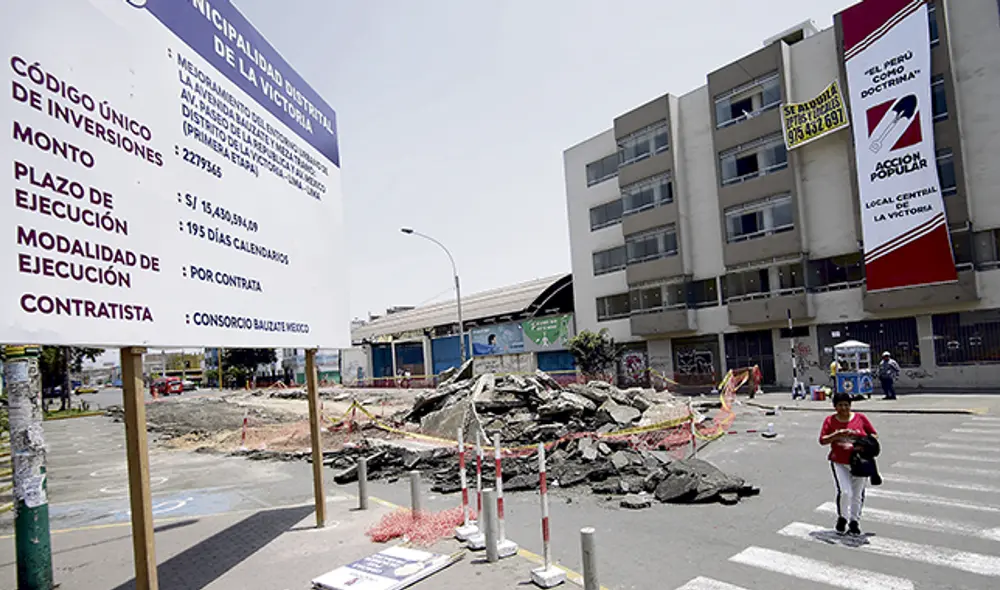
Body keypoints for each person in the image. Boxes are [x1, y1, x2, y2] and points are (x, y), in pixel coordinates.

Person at [819, 392, 878, 536]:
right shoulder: (830, 421)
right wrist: (836, 435)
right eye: (840, 405)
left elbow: (874, 435)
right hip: (839, 461)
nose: (844, 408)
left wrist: (860, 438)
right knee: (845, 492)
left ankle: (854, 521)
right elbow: (822, 440)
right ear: (835, 407)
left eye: (846, 404)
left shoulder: (860, 418)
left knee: (857, 494)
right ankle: (842, 517)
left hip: (860, 462)